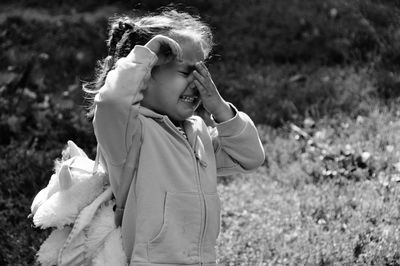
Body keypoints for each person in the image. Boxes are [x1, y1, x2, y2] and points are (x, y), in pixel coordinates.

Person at [84, 8, 265, 266]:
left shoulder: (198, 131)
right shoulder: (129, 132)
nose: (197, 83)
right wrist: (148, 53)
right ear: (145, 76)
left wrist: (221, 109)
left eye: (200, 73)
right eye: (184, 72)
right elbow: (112, 100)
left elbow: (250, 157)